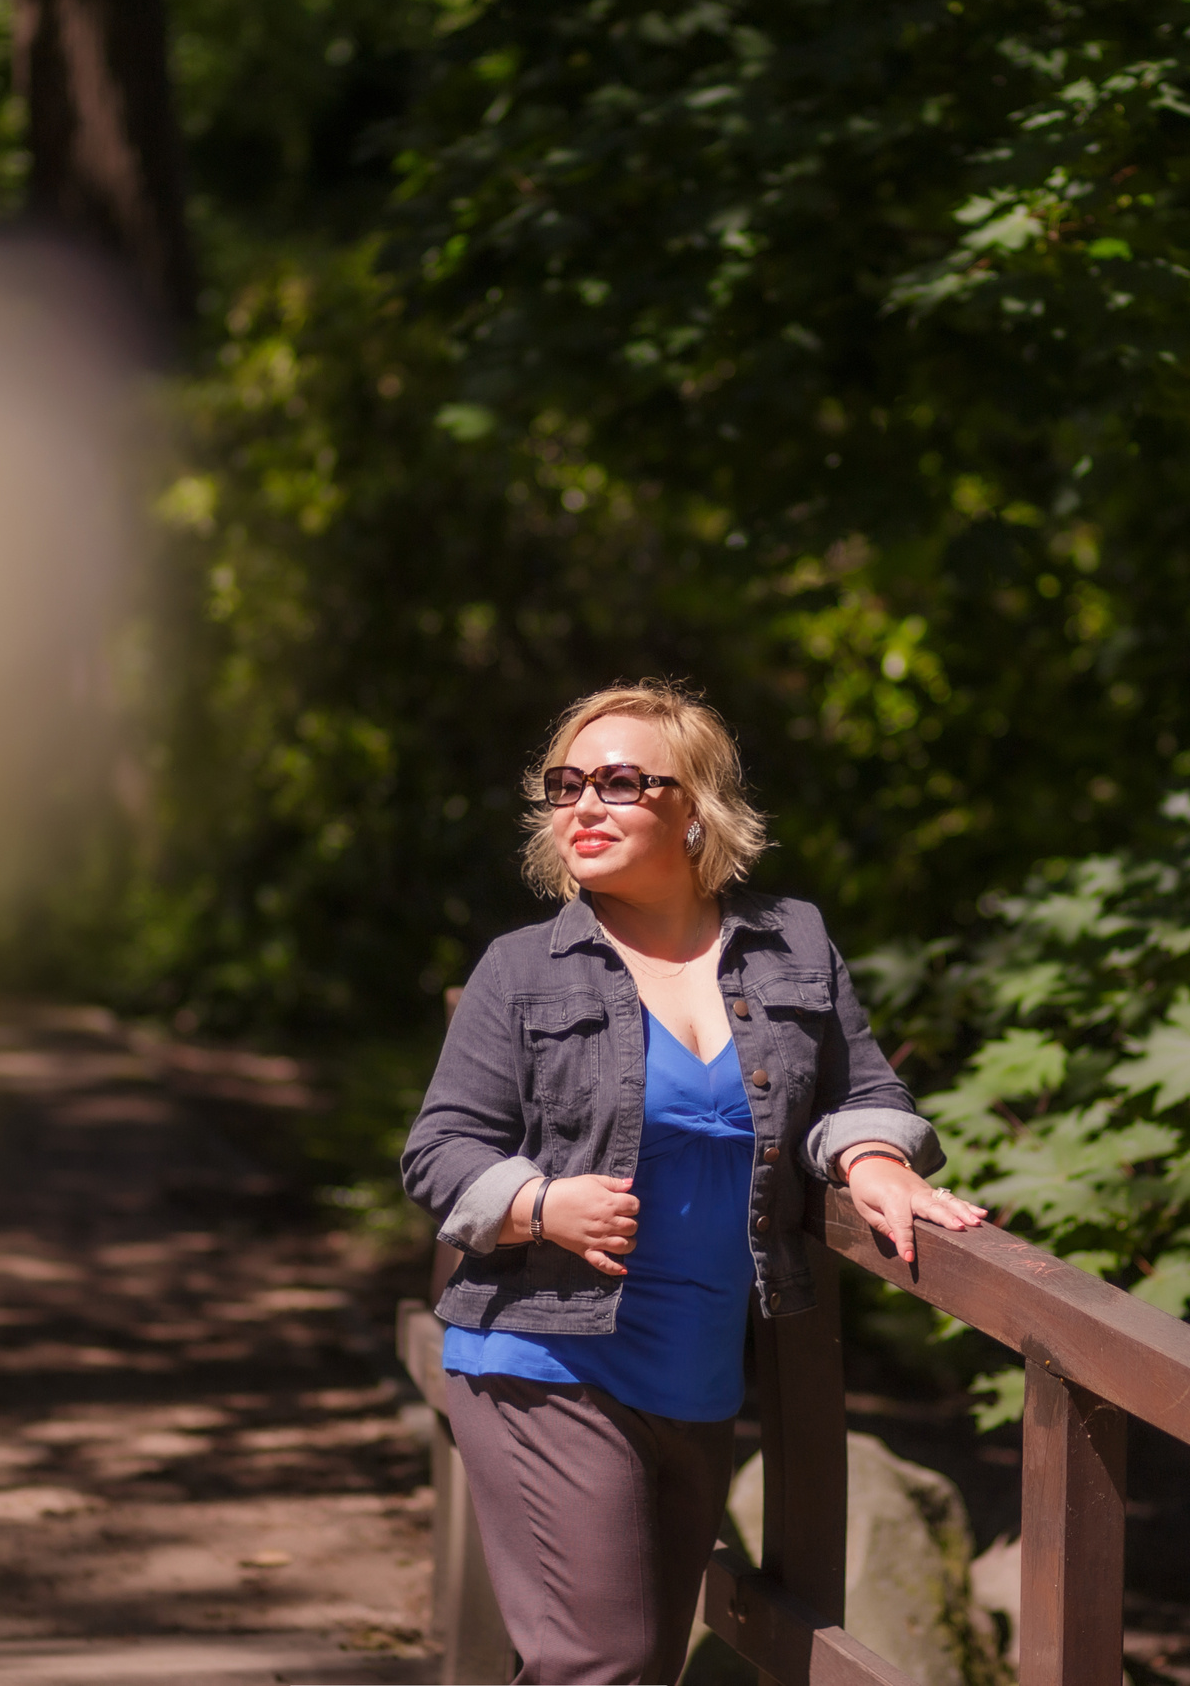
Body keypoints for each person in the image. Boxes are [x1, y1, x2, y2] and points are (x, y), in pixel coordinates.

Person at [400, 680, 989, 1685]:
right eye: (565, 785)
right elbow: (439, 1148)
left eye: (620, 782)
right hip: (542, 1354)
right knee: (605, 1662)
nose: (584, 805)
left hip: (697, 1374)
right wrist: (538, 1204)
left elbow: (859, 1088)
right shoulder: (522, 970)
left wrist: (874, 1158)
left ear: (697, 807)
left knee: (639, 1664)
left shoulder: (792, 943)